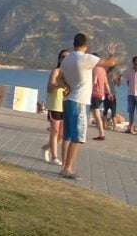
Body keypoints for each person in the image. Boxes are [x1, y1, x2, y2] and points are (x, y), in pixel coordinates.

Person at [58, 33, 100, 179]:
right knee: (78, 137)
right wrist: (113, 54)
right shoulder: (85, 58)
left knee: (67, 136)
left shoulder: (67, 59)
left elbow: (59, 78)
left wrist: (66, 86)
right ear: (85, 45)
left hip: (68, 100)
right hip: (80, 101)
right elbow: (110, 62)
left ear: (74, 43)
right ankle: (67, 168)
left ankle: (64, 166)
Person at [43, 49, 68, 164]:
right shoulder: (56, 71)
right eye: (63, 57)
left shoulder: (69, 74)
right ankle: (54, 157)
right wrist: (59, 84)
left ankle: (47, 147)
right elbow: (49, 88)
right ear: (59, 59)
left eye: (68, 57)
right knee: (55, 131)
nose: (65, 59)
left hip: (65, 105)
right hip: (54, 105)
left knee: (62, 135)